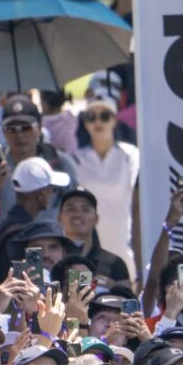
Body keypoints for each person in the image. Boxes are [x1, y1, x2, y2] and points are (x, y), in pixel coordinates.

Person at [62, 95, 140, 277]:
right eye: (91, 117)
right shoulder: (75, 158)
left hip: (124, 239)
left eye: (104, 116)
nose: (97, 122)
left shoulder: (130, 155)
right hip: (87, 240)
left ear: (114, 120)